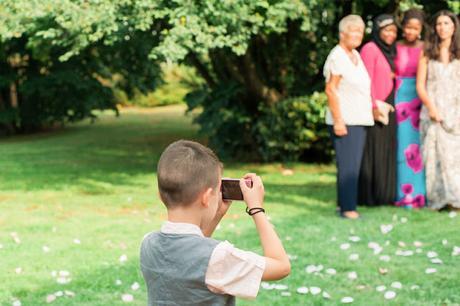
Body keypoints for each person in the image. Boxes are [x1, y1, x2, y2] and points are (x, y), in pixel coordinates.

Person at [140, 140, 290, 305]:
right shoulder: (217, 257)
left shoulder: (148, 244)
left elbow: (188, 256)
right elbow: (281, 266)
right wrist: (256, 209)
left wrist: (217, 215)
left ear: (160, 196)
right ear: (206, 197)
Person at [324, 15, 374, 219]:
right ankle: (348, 209)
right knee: (348, 166)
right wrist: (338, 120)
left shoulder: (355, 55)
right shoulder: (337, 56)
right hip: (345, 121)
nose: (357, 35)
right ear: (342, 33)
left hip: (358, 118)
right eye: (353, 31)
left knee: (351, 164)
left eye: (360, 31)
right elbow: (330, 90)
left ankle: (343, 204)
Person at [416, 10, 460, 210]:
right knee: (433, 156)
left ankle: (456, 198)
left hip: (455, 111)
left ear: (454, 27)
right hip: (433, 111)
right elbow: (420, 85)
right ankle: (437, 200)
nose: (443, 27)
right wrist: (432, 108)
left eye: (447, 23)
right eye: (439, 23)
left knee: (454, 158)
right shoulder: (427, 53)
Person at [359, 14, 398, 206]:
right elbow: (365, 80)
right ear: (377, 31)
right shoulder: (370, 48)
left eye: (393, 31)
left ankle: (385, 195)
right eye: (386, 30)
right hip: (376, 107)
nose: (390, 35)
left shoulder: (390, 51)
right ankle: (371, 196)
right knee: (374, 151)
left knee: (386, 150)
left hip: (389, 105)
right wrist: (373, 106)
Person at [394, 8, 427, 208]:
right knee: (401, 149)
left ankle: (419, 194)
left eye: (416, 28)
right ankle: (402, 194)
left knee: (418, 149)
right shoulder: (394, 46)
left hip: (419, 98)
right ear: (403, 27)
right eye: (408, 27)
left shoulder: (426, 47)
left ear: (421, 29)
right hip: (399, 101)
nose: (411, 31)